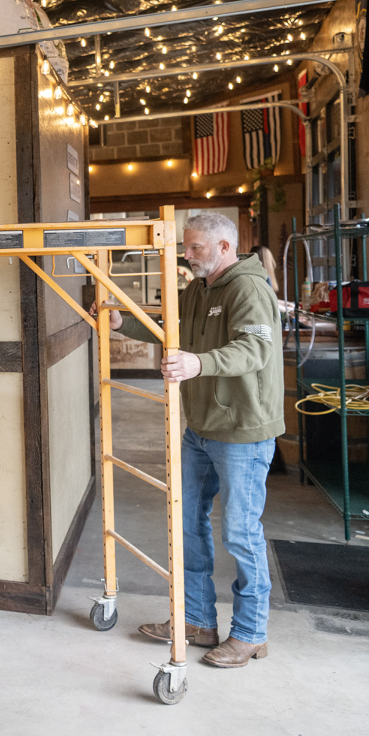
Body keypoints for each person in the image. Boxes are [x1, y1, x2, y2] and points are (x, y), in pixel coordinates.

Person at [93, 211, 283, 668]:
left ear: (223, 247)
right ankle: (197, 622)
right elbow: (171, 326)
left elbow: (257, 349)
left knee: (240, 532)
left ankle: (251, 633)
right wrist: (124, 325)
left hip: (242, 432)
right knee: (187, 525)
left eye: (195, 247)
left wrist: (199, 365)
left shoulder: (248, 287)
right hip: (200, 428)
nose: (186, 254)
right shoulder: (199, 288)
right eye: (186, 246)